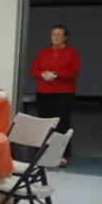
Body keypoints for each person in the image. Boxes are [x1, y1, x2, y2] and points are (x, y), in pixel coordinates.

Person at [31, 24, 80, 167]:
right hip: (44, 92)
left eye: (59, 35)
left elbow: (72, 71)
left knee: (62, 124)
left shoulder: (72, 53)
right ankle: (43, 153)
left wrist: (55, 74)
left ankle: (62, 154)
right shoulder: (43, 52)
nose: (55, 37)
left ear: (65, 37)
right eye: (53, 35)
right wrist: (43, 74)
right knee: (45, 123)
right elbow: (34, 70)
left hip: (64, 93)